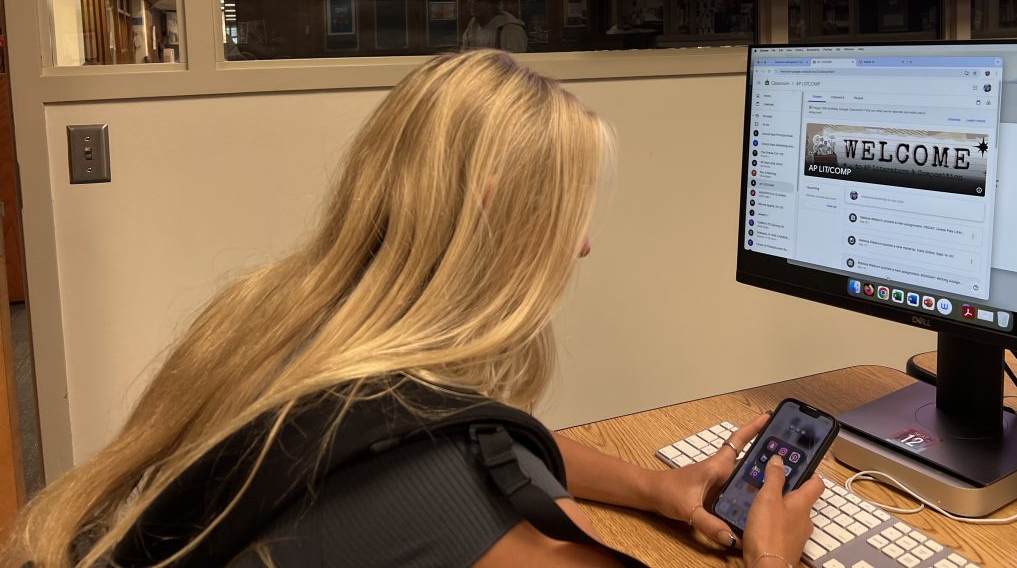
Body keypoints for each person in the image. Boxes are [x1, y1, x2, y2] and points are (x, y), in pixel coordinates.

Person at [3, 51, 820, 567]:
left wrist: (655, 489)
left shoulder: (277, 320)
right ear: (495, 211)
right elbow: (454, 467)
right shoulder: (440, 488)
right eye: (566, 216)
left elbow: (486, 436)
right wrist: (773, 559)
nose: (581, 249)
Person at [462, 0, 529, 52]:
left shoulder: (510, 29)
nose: (472, 3)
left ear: (492, 4)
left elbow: (516, 62)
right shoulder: (472, 26)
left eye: (479, 0)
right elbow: (464, 53)